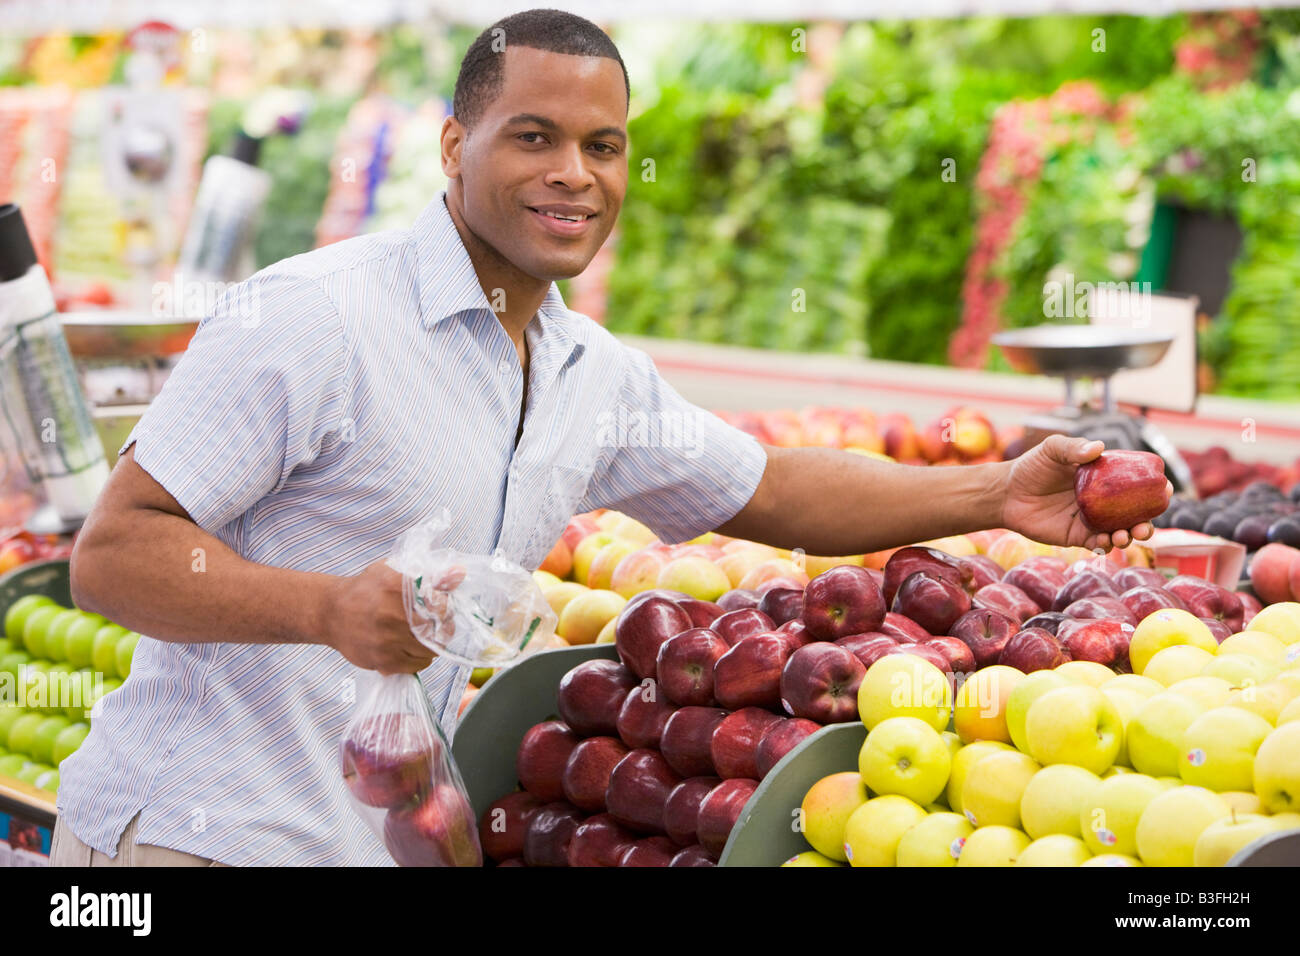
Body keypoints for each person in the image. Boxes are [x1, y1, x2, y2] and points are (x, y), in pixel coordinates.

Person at [53, 9, 1164, 867]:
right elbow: (112, 553)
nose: (573, 173)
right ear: (453, 143)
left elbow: (771, 488)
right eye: (532, 136)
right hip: (199, 837)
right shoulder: (318, 315)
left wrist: (997, 492)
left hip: (376, 839)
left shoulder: (588, 370)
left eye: (603, 144)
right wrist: (324, 607)